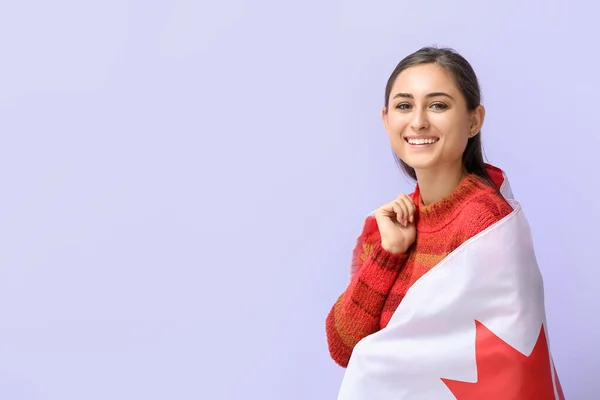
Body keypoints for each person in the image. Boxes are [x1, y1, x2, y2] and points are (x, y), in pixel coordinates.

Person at [324, 47, 564, 400]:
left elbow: (509, 369)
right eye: (404, 106)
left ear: (473, 120)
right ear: (386, 119)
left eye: (438, 105)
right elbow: (345, 348)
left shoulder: (486, 224)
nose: (418, 121)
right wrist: (388, 253)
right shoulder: (384, 227)